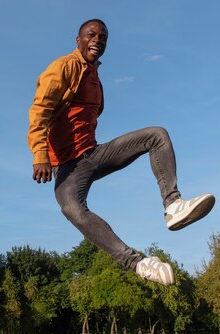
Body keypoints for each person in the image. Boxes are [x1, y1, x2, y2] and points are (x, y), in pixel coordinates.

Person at [28, 19, 215, 285]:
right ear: (78, 39)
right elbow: (40, 111)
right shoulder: (65, 67)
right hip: (67, 167)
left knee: (156, 135)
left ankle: (173, 205)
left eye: (102, 37)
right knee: (72, 209)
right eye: (91, 35)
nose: (97, 40)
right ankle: (138, 263)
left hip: (93, 154)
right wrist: (40, 154)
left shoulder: (94, 76)